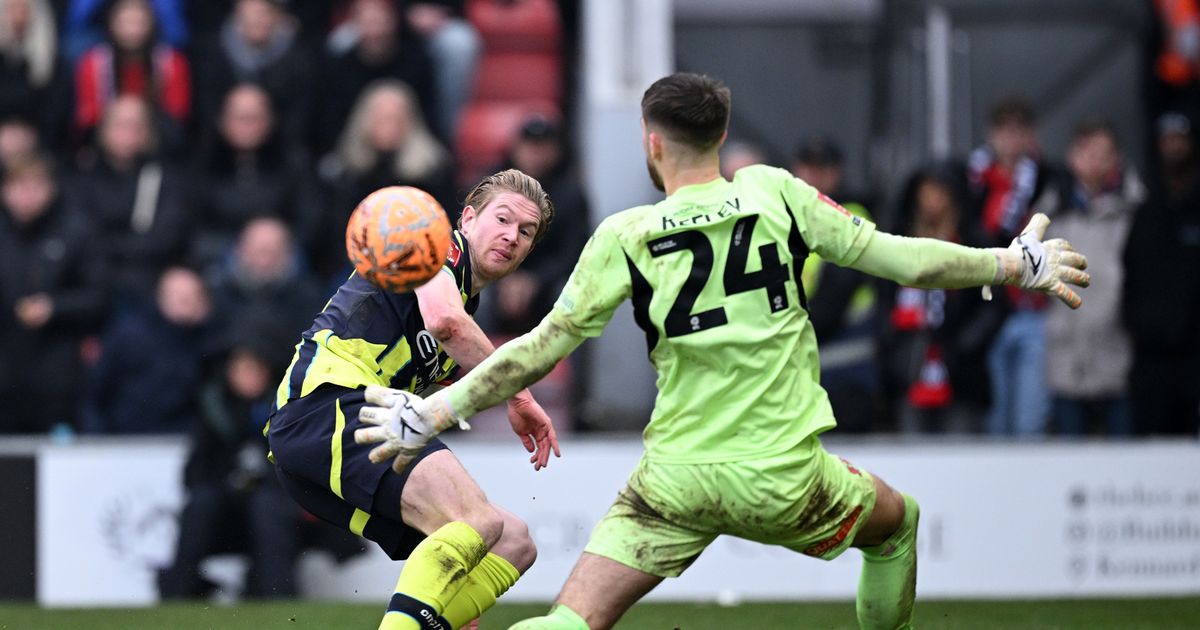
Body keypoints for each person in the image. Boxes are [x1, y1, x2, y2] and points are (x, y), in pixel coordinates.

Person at [357, 73, 1091, 630]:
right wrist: (1010, 263)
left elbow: (540, 350)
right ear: (721, 136)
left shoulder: (626, 233)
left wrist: (432, 411)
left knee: (570, 622)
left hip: (676, 479)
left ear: (652, 143)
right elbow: (903, 261)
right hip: (785, 475)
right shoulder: (777, 192)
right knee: (898, 526)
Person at [265, 169, 561, 630]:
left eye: (525, 232)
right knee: (476, 520)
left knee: (512, 543)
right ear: (467, 218)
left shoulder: (465, 300)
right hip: (327, 405)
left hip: (331, 440)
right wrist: (518, 394)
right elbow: (446, 323)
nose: (511, 236)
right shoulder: (437, 246)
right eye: (502, 219)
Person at [1036, 118, 1143, 436]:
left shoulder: (1136, 208)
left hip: (1118, 343)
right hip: (1066, 347)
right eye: (1086, 151)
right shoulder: (1049, 211)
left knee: (1124, 462)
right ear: (1072, 157)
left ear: (1116, 159)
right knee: (1071, 455)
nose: (1095, 160)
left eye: (1103, 152)